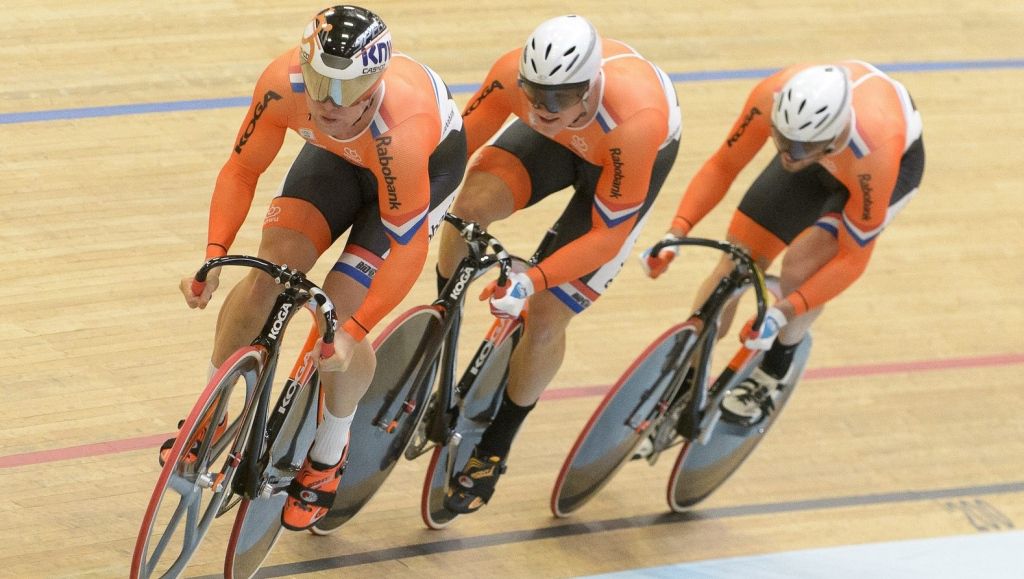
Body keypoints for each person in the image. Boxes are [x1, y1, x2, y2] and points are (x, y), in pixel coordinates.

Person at [173, 5, 467, 530]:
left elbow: (408, 249)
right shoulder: (283, 85)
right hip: (336, 159)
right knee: (266, 274)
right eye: (318, 83)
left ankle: (329, 454)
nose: (328, 103)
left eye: (346, 89)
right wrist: (214, 254)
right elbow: (241, 169)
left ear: (374, 82)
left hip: (410, 176)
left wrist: (353, 330)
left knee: (337, 318)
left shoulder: (402, 129)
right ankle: (208, 416)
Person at [436, 14, 682, 514]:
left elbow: (606, 235)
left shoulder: (636, 120)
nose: (546, 109)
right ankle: (439, 327)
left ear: (589, 86)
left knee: (548, 312)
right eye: (536, 94)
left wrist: (534, 279)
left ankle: (497, 444)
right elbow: (450, 154)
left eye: (562, 97)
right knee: (467, 211)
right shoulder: (511, 78)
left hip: (621, 157)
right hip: (562, 147)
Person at [641, 61, 924, 424]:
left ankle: (774, 369)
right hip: (822, 159)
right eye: (782, 141)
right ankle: (688, 377)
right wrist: (676, 232)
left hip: (884, 169)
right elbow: (723, 166)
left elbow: (853, 260)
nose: (789, 155)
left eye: (801, 147)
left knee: (800, 267)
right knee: (735, 261)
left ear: (832, 136)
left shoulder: (875, 150)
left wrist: (781, 313)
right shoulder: (771, 97)